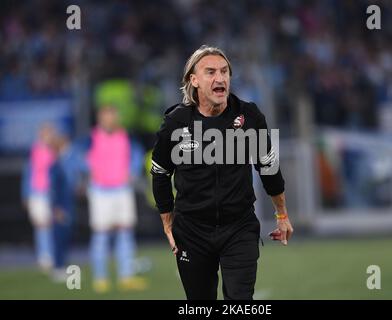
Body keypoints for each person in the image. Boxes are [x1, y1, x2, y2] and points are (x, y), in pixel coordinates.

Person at [151, 45, 294, 300]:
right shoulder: (176, 122)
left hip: (239, 228)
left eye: (224, 71)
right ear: (194, 80)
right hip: (192, 231)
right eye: (210, 72)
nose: (220, 78)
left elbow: (269, 168)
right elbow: (160, 173)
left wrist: (281, 214)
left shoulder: (249, 116)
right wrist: (167, 223)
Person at [83, 105, 147, 293]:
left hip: (121, 189)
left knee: (125, 233)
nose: (111, 120)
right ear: (100, 118)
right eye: (107, 117)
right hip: (101, 191)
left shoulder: (125, 136)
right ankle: (100, 278)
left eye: (113, 116)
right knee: (101, 235)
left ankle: (126, 276)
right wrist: (87, 171)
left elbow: (136, 156)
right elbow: (75, 158)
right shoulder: (90, 138)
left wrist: (133, 172)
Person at [21, 123, 57, 272]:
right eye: (46, 134)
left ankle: (54, 253)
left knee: (53, 224)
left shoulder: (55, 151)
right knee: (42, 225)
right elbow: (28, 174)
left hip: (52, 192)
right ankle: (45, 256)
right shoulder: (35, 151)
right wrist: (26, 194)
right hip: (38, 192)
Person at [48, 134, 80, 282]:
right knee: (59, 236)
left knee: (65, 234)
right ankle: (57, 266)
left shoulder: (63, 161)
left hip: (67, 203)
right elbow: (54, 189)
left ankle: (61, 265)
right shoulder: (55, 165)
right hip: (61, 204)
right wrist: (56, 208)